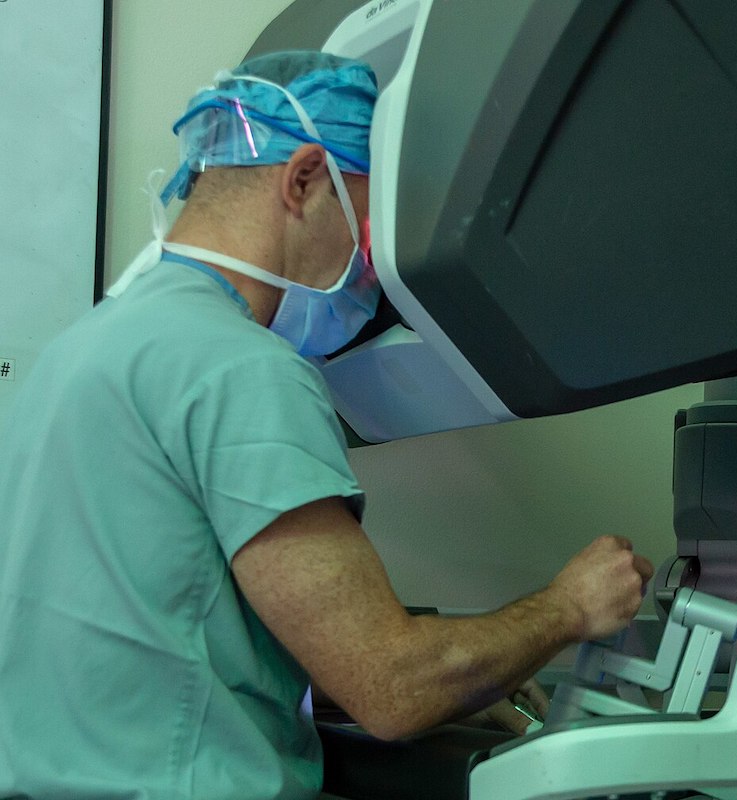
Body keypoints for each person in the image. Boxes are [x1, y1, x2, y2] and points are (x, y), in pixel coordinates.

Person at [0, 50, 653, 799]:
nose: (368, 270)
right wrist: (568, 607)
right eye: (366, 226)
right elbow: (393, 688)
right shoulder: (241, 368)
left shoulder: (80, 349)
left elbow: (141, 629)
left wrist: (471, 670)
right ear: (304, 179)